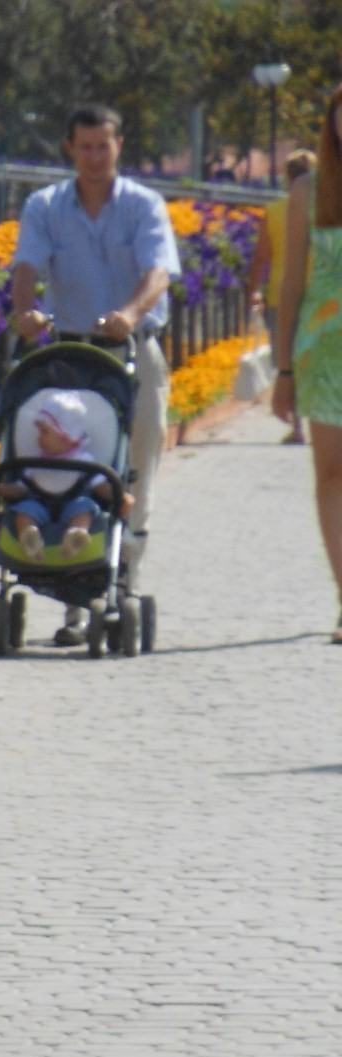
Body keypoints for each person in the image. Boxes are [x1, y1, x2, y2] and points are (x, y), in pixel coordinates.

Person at [11, 101, 179, 644]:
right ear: (69, 148)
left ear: (118, 146)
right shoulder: (45, 206)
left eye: (102, 146)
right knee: (68, 466)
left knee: (132, 469)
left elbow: (158, 271)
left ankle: (122, 579)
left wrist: (129, 313)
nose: (93, 157)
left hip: (132, 348)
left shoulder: (144, 206)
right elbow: (27, 267)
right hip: (70, 353)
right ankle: (74, 599)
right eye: (83, 147)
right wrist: (24, 312)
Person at [270, 84, 342, 643]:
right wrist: (284, 369)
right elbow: (291, 282)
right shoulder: (308, 193)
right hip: (323, 352)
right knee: (331, 475)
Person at [252, 148, 317, 442]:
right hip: (320, 296)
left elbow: (261, 257)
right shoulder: (326, 206)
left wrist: (253, 289)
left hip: (282, 296)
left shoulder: (276, 210)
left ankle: (298, 426)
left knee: (289, 361)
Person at [1, 391, 112, 561]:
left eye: (45, 432)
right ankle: (29, 536)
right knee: (24, 510)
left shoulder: (84, 461)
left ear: (66, 435)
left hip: (73, 504)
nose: (39, 438)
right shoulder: (36, 462)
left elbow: (101, 486)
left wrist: (119, 497)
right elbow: (20, 489)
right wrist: (0, 489)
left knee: (84, 507)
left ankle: (76, 535)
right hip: (40, 506)